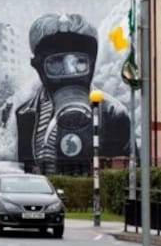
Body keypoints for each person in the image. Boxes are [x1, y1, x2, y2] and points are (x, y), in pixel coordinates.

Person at [15, 13, 130, 175]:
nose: (69, 72)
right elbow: (25, 172)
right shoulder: (25, 114)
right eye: (55, 63)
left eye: (79, 62)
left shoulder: (113, 113)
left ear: (92, 62)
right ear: (37, 66)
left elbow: (124, 172)